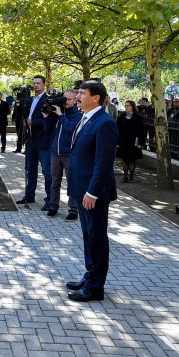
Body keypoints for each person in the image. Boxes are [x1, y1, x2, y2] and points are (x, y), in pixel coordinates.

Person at [65, 81, 118, 302]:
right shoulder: (86, 118)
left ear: (95, 98)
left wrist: (93, 193)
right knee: (88, 236)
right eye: (77, 93)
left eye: (81, 93)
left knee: (96, 237)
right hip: (82, 190)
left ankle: (96, 287)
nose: (77, 97)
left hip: (93, 194)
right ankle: (90, 275)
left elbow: (103, 162)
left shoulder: (104, 123)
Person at [17, 76, 53, 209]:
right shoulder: (30, 100)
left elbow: (49, 120)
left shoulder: (48, 100)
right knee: (30, 169)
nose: (36, 85)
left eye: (38, 83)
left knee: (47, 171)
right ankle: (29, 195)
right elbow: (25, 116)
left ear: (44, 84)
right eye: (34, 83)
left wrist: (33, 122)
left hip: (43, 141)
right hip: (30, 139)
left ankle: (50, 200)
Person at [45, 90, 80, 219]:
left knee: (72, 182)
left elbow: (71, 128)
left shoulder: (77, 115)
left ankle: (73, 210)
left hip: (69, 154)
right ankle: (53, 206)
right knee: (54, 182)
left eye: (69, 99)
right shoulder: (58, 113)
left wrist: (60, 115)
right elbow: (47, 130)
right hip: (55, 152)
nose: (66, 101)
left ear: (75, 100)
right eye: (64, 99)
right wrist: (47, 117)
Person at [116, 101, 145, 183]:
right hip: (123, 141)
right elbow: (118, 130)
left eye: (128, 106)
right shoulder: (121, 117)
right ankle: (125, 176)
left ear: (132, 106)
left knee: (132, 160)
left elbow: (141, 131)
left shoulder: (138, 117)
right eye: (125, 106)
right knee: (124, 159)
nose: (126, 107)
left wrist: (141, 143)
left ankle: (131, 176)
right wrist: (117, 142)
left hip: (133, 141)